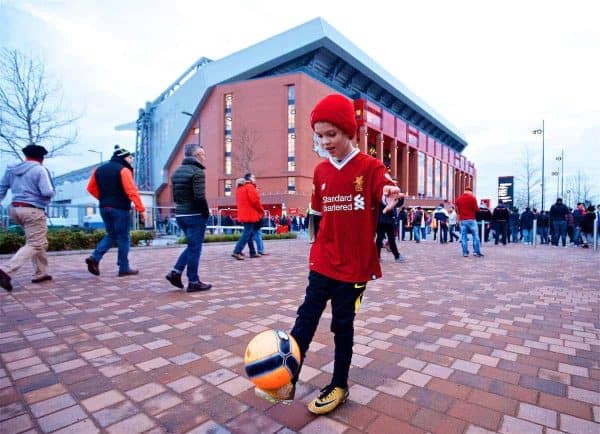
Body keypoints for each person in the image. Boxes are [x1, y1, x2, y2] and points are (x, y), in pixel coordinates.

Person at [254, 94, 402, 415]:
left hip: (354, 268)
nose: (325, 141)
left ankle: (339, 384)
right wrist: (313, 244)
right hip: (322, 261)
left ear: (350, 131)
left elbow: (383, 184)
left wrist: (389, 191)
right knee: (304, 319)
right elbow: (317, 215)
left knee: (342, 326)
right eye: (319, 135)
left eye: (332, 134)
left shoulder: (370, 167)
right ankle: (286, 377)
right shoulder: (320, 171)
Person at [0, 144, 55, 291]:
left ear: (26, 156)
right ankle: (6, 270)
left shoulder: (12, 170)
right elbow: (47, 191)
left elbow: (2, 188)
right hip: (32, 210)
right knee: (36, 243)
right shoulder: (39, 169)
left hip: (15, 209)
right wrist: (52, 192)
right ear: (41, 158)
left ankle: (41, 273)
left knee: (38, 242)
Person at [85, 145, 145, 276]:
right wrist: (141, 210)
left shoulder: (98, 170)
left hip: (104, 207)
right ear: (123, 157)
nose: (131, 160)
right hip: (120, 209)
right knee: (124, 237)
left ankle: (95, 258)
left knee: (111, 235)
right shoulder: (123, 170)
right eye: (130, 157)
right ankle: (124, 267)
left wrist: (104, 199)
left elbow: (90, 188)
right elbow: (132, 191)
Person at [165, 143, 212, 292]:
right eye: (203, 154)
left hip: (181, 214)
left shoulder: (176, 172)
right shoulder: (197, 172)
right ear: (197, 155)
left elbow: (175, 196)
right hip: (195, 215)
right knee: (195, 248)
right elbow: (199, 197)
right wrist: (206, 213)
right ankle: (193, 281)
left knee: (192, 246)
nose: (204, 157)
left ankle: (176, 272)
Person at [231, 173, 264, 260]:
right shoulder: (250, 187)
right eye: (254, 177)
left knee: (249, 233)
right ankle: (237, 251)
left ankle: (252, 252)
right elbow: (255, 201)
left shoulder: (239, 188)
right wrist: (261, 210)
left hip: (243, 214)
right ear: (249, 179)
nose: (255, 179)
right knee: (247, 233)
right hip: (250, 214)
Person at [455, 186, 483, 257]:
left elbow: (456, 210)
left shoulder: (458, 199)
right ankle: (476, 252)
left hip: (462, 220)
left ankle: (465, 253)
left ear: (464, 191)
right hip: (472, 219)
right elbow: (477, 209)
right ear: (470, 192)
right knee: (475, 236)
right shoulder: (473, 198)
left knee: (464, 237)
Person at [376, 194, 405, 262]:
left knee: (380, 238)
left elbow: (398, 204)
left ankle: (378, 257)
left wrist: (401, 198)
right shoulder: (388, 195)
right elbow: (398, 204)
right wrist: (400, 198)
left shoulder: (380, 195)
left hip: (380, 219)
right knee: (390, 238)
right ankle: (397, 256)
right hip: (387, 220)